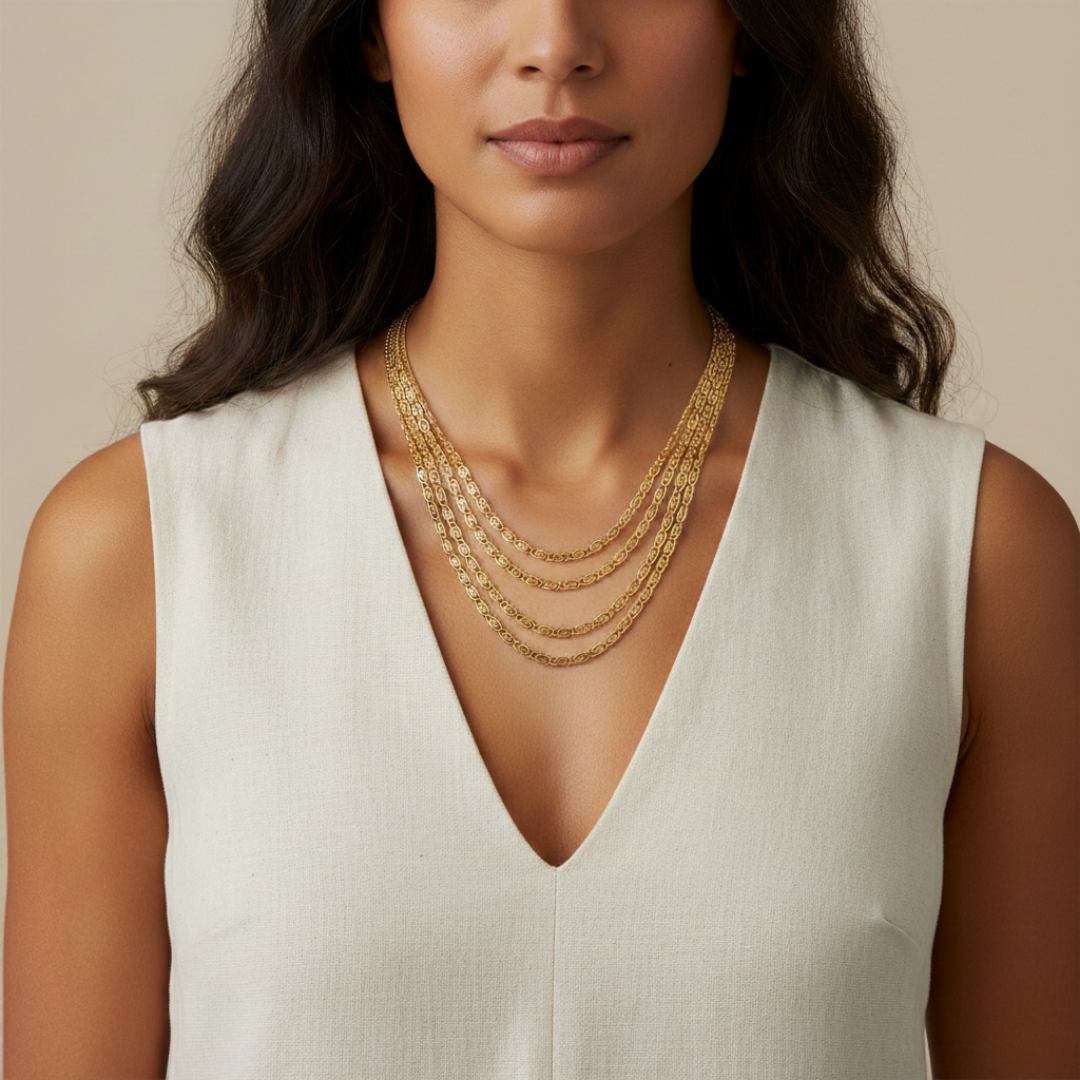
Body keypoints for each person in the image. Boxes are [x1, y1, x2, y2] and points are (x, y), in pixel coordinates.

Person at [5, 0, 1077, 1075]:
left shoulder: (976, 557)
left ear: (748, 26)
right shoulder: (140, 552)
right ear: (371, 32)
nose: (556, 42)